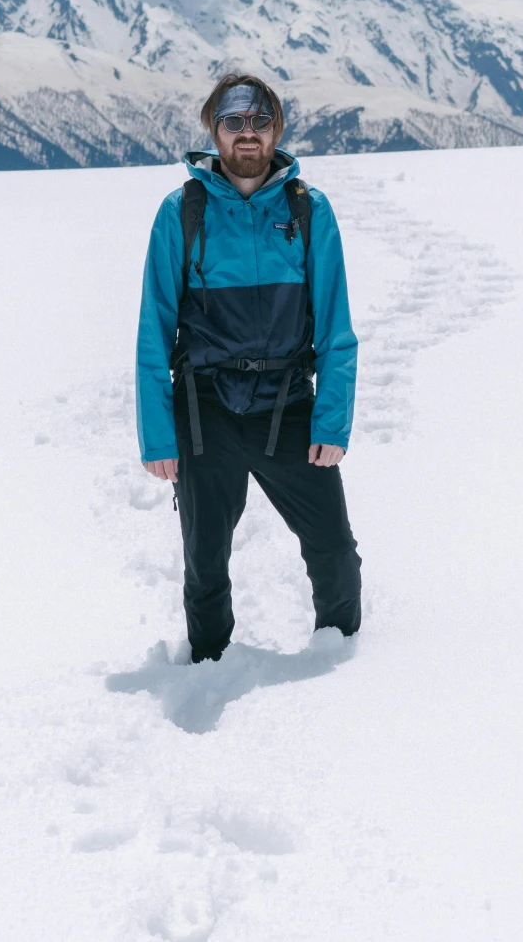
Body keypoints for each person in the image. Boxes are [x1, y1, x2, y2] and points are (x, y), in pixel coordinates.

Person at [135, 72, 362, 663]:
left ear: (276, 131)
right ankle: (207, 669)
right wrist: (158, 436)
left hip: (287, 406)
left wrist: (331, 424)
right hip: (204, 408)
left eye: (260, 122)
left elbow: (336, 328)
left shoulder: (308, 211)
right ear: (214, 131)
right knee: (204, 559)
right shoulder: (181, 212)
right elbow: (153, 334)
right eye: (234, 122)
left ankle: (343, 664)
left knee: (334, 550)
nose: (247, 135)